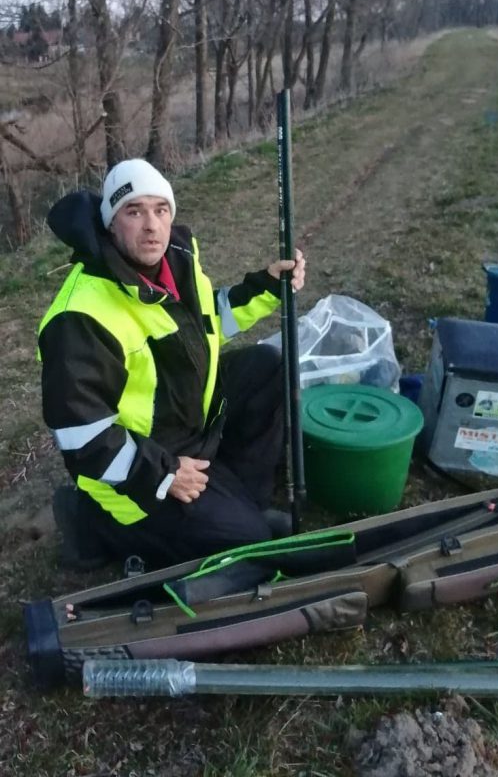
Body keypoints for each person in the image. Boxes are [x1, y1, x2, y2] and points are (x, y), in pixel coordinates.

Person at [39, 159, 306, 569]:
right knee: (248, 542)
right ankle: (91, 523)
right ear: (111, 224)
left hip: (181, 422)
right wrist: (163, 473)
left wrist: (267, 288)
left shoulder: (176, 259)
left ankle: (241, 501)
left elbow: (205, 323)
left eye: (161, 210)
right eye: (134, 211)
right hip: (139, 469)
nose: (152, 225)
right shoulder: (79, 316)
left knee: (266, 366)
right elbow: (82, 436)